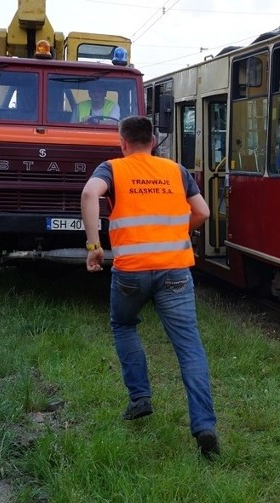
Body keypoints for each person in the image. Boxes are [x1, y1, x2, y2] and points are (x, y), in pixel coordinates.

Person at [80, 115, 219, 458]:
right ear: (154, 142)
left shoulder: (112, 168)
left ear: (122, 142)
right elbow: (202, 212)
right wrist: (174, 232)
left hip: (131, 273)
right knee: (189, 349)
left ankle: (140, 398)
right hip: (175, 271)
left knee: (124, 325)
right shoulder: (176, 170)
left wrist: (94, 246)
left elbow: (88, 193)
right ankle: (204, 426)